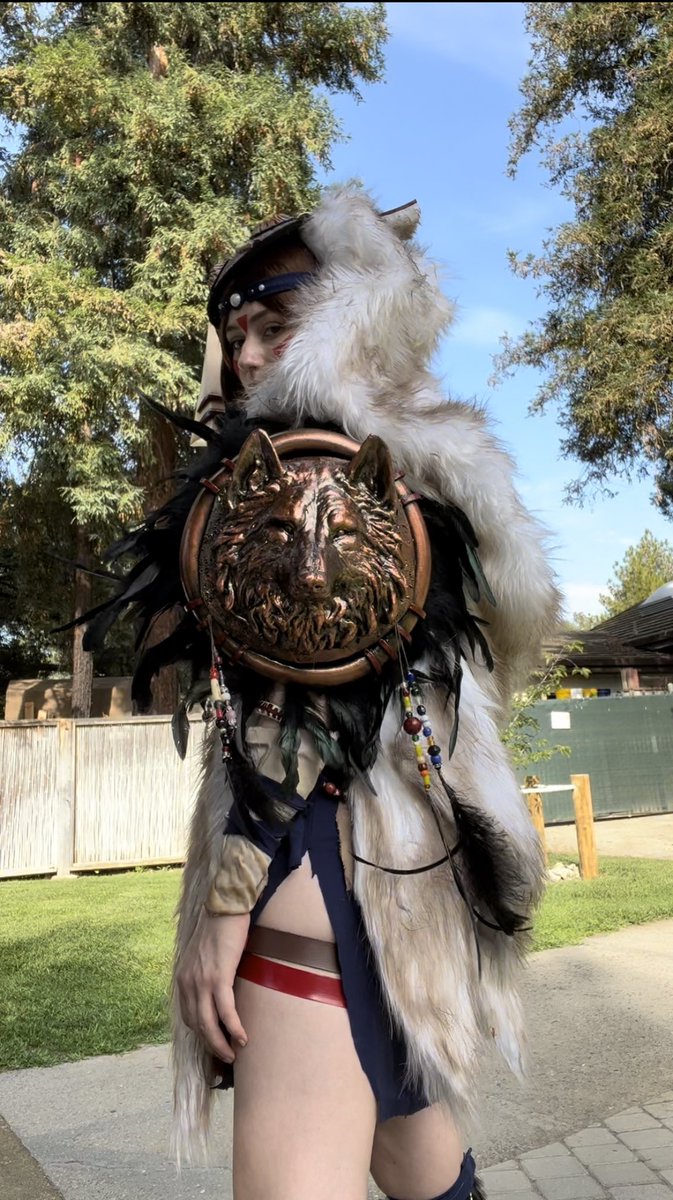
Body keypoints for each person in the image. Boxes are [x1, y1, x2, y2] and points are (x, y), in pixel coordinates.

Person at [84, 186, 559, 1200]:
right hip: (401, 897)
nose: (249, 358)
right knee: (427, 1172)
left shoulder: (318, 471)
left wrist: (224, 905)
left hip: (313, 892)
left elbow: (310, 708)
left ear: (349, 316)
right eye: (235, 338)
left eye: (275, 327)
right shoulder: (415, 454)